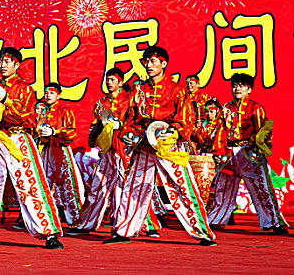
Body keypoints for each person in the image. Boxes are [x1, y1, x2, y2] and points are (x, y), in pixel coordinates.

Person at [107, 46, 216, 246]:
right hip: (144, 144)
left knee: (183, 187)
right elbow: (130, 117)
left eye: (153, 61)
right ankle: (124, 230)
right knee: (134, 185)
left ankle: (202, 233)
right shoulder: (139, 90)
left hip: (168, 145)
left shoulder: (176, 89)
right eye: (146, 62)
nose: (148, 65)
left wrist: (174, 130)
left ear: (164, 63)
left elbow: (186, 118)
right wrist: (128, 134)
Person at [0, 47, 64, 249]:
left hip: (18, 140)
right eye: (0, 61)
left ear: (17, 65)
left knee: (31, 185)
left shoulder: (25, 89)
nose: (2, 65)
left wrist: (6, 100)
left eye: (7, 61)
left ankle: (50, 233)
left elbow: (28, 119)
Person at [207, 73, 288, 234]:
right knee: (223, 187)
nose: (237, 88)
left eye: (242, 86)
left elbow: (263, 131)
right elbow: (220, 131)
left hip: (248, 152)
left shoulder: (255, 108)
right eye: (235, 85)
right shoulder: (226, 109)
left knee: (261, 187)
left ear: (249, 89)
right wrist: (218, 151)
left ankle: (274, 222)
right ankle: (216, 219)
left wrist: (259, 149)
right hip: (229, 152)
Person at [67, 68, 131, 235]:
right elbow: (95, 125)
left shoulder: (128, 101)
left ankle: (122, 227)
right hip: (105, 150)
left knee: (121, 188)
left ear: (120, 82)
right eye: (107, 79)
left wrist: (122, 127)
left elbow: (132, 123)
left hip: (122, 149)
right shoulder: (101, 103)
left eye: (112, 80)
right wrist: (93, 139)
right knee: (97, 184)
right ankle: (87, 223)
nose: (109, 83)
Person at [37, 82, 85, 229]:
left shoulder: (64, 111)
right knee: (43, 183)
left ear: (58, 95)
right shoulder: (42, 112)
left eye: (51, 93)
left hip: (61, 149)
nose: (47, 95)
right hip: (45, 150)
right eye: (46, 93)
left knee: (68, 183)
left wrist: (55, 132)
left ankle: (75, 220)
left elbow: (72, 131)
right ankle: (44, 220)